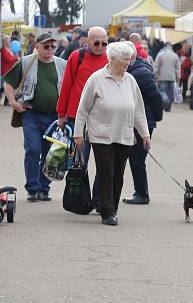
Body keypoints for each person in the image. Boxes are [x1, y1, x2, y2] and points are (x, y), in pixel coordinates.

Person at [73, 42, 150, 226]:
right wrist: (78, 133)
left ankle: (112, 207)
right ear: (112, 58)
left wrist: (145, 134)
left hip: (123, 134)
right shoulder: (96, 79)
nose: (128, 61)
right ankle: (107, 211)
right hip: (101, 134)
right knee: (106, 171)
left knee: (119, 174)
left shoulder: (130, 80)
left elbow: (138, 109)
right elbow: (83, 109)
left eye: (130, 58)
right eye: (124, 58)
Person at [3, 33, 68, 202]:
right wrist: (13, 102)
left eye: (53, 46)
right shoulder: (26, 62)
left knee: (50, 153)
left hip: (54, 116)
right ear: (37, 47)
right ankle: (32, 188)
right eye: (46, 46)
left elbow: (69, 87)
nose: (50, 49)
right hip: (31, 113)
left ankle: (44, 188)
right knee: (33, 150)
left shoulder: (62, 64)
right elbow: (9, 83)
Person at [57, 26, 110, 167]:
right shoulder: (76, 56)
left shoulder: (110, 58)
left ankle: (100, 190)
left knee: (105, 164)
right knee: (77, 162)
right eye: (96, 43)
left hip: (102, 118)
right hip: (77, 117)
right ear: (88, 41)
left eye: (104, 43)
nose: (100, 47)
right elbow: (66, 86)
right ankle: (76, 189)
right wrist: (61, 114)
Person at [122, 45, 164, 205]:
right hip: (137, 121)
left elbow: (156, 98)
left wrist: (156, 118)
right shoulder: (134, 71)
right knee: (135, 159)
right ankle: (140, 192)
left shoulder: (141, 73)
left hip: (143, 122)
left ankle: (142, 194)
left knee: (137, 159)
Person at [154, 42, 181, 112]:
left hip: (162, 77)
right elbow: (178, 67)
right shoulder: (175, 55)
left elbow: (156, 66)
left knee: (162, 91)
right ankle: (168, 107)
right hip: (172, 77)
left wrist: (155, 74)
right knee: (170, 92)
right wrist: (178, 76)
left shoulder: (160, 55)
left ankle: (166, 101)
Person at [2, 36, 19, 104]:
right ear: (4, 41)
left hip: (10, 69)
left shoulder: (9, 49)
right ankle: (6, 101)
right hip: (6, 70)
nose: (10, 42)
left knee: (9, 86)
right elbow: (8, 60)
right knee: (7, 86)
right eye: (8, 40)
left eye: (9, 40)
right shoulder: (4, 50)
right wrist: (16, 58)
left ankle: (7, 101)